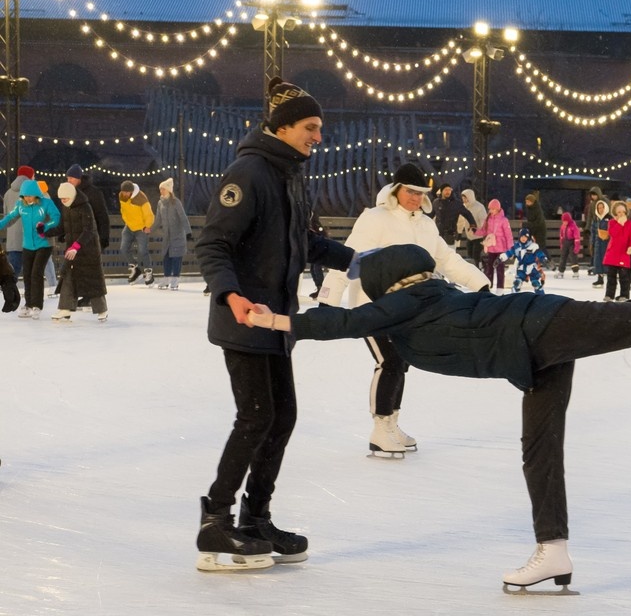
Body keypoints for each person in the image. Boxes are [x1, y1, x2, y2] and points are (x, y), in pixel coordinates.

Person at [245, 243, 631, 592]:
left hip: (542, 329)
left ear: (388, 285)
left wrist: (276, 321)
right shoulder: (422, 306)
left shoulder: (409, 302)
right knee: (540, 449)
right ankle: (552, 551)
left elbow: (344, 322)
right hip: (533, 351)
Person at [193, 76, 357, 571]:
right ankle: (214, 524)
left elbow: (304, 243)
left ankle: (255, 519)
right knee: (257, 417)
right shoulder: (248, 173)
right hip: (246, 317)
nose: (318, 137)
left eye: (320, 128)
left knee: (280, 417)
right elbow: (213, 244)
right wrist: (231, 294)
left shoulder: (289, 175)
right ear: (282, 128)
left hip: (278, 320)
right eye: (311, 127)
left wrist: (362, 260)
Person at [316, 162, 489, 457]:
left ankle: (392, 423)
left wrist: (480, 284)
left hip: (408, 307)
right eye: (409, 191)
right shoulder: (376, 219)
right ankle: (380, 428)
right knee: (390, 361)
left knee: (402, 362)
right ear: (397, 190)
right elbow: (349, 258)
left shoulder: (425, 224)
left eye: (420, 192)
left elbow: (446, 260)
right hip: (371, 305)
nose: (414, 197)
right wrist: (327, 301)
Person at [47, 182, 108, 321]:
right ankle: (65, 309)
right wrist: (45, 232)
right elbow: (61, 228)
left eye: (65, 199)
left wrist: (76, 246)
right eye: (61, 199)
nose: (63, 201)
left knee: (92, 280)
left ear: (72, 196)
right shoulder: (66, 208)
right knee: (68, 277)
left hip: (89, 250)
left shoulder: (85, 207)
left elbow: (90, 231)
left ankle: (102, 310)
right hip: (72, 250)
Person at [0, 179, 60, 319]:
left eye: (29, 195)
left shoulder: (46, 203)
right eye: (24, 196)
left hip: (44, 244)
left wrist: (45, 227)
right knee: (27, 274)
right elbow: (10, 217)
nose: (27, 198)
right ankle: (28, 304)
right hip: (27, 245)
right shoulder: (21, 205)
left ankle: (37, 305)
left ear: (36, 194)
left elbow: (56, 218)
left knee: (36, 273)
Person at [153, 178, 190, 290]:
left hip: (177, 235)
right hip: (167, 236)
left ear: (168, 190)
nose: (161, 191)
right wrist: (149, 230)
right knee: (166, 256)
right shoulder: (160, 203)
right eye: (160, 189)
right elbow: (158, 220)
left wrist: (188, 231)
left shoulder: (176, 202)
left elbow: (183, 217)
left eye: (163, 189)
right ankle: (167, 278)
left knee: (176, 257)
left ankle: (175, 279)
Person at [118, 180, 155, 285]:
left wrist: (147, 226)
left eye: (126, 192)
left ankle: (148, 272)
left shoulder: (141, 198)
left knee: (142, 250)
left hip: (141, 227)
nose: (124, 194)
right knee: (123, 248)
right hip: (129, 226)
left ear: (131, 191)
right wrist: (126, 221)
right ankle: (136, 270)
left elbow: (149, 214)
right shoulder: (121, 196)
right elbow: (123, 210)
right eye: (123, 192)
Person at [66, 164, 110, 252]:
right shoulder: (69, 193)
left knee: (90, 263)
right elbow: (67, 215)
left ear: (78, 178)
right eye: (67, 178)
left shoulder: (94, 193)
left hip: (91, 237)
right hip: (74, 238)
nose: (68, 181)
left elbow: (102, 216)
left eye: (71, 178)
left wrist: (104, 238)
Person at [473, 198, 513, 295]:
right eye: (490, 209)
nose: (491, 211)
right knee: (489, 268)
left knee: (500, 269)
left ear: (497, 209)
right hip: (491, 248)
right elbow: (484, 231)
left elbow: (508, 235)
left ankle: (500, 289)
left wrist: (510, 249)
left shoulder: (504, 220)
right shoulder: (488, 219)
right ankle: (489, 286)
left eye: (492, 209)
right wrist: (475, 231)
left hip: (501, 249)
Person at [3, 165, 34, 279]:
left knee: (12, 272)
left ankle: (8, 293)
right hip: (28, 238)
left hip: (13, 240)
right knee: (31, 273)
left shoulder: (7, 193)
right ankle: (29, 295)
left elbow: (6, 215)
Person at [603, 200, 631, 301]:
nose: (621, 214)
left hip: (624, 254)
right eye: (619, 212)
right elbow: (613, 233)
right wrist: (619, 224)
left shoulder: (630, 224)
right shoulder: (612, 223)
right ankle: (609, 295)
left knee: (624, 277)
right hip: (613, 254)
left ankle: (624, 295)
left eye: (623, 211)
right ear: (615, 213)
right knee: (611, 277)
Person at [501, 227, 548, 294]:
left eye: (525, 237)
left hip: (532, 267)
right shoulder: (516, 246)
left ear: (528, 237)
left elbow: (539, 253)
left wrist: (544, 258)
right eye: (522, 236)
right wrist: (500, 258)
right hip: (521, 268)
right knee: (517, 282)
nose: (523, 238)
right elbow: (509, 253)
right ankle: (514, 295)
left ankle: (541, 295)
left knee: (535, 283)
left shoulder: (533, 246)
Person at [432, 183, 477, 248]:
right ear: (441, 191)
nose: (448, 192)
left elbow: (467, 214)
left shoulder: (456, 203)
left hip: (450, 234)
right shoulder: (436, 202)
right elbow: (430, 215)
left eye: (449, 190)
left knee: (450, 255)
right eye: (446, 190)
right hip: (438, 234)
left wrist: (472, 224)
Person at [457, 188, 486, 266]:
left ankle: (478, 268)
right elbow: (461, 221)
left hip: (478, 237)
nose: (464, 200)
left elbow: (483, 220)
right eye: (463, 198)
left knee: (475, 256)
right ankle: (480, 265)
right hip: (469, 237)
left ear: (470, 197)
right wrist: (459, 232)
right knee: (470, 256)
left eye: (465, 198)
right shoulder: (464, 207)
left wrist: (483, 232)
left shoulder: (479, 207)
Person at [590, 199, 611, 288]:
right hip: (598, 243)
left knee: (608, 262)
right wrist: (592, 243)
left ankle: (611, 280)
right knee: (598, 261)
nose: (600, 210)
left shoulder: (609, 218)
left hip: (607, 243)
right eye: (599, 208)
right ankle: (600, 279)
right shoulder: (596, 219)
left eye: (602, 208)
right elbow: (593, 232)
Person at [553, 211, 581, 279]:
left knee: (573, 257)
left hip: (572, 243)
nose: (565, 222)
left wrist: (576, 246)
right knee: (563, 257)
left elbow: (577, 237)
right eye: (563, 221)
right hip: (565, 243)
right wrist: (561, 244)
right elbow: (561, 236)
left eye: (566, 221)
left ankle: (576, 272)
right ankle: (561, 271)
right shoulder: (563, 227)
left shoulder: (573, 226)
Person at [522, 192, 547, 256]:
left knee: (541, 248)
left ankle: (548, 261)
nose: (527, 203)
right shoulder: (529, 209)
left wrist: (526, 224)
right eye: (526, 201)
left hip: (540, 231)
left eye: (528, 202)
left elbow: (538, 223)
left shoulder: (537, 210)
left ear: (532, 202)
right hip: (532, 230)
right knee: (531, 247)